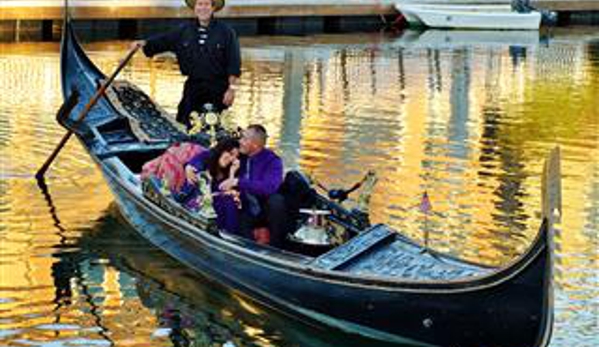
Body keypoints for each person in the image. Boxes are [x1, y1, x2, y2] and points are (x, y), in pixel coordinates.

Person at [132, 0, 241, 130]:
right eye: (199, 4)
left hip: (217, 89)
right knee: (184, 124)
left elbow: (234, 64)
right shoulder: (183, 30)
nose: (203, 8)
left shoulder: (227, 32)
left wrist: (231, 90)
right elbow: (163, 41)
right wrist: (144, 43)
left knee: (213, 127)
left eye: (206, 4)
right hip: (193, 87)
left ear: (213, 8)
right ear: (195, 8)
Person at [218, 125, 287, 246]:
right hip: (244, 208)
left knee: (277, 200)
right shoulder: (239, 152)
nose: (240, 142)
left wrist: (238, 182)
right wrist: (191, 166)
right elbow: (212, 154)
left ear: (255, 145)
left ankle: (277, 245)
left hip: (264, 211)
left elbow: (270, 188)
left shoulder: (273, 161)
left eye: (244, 139)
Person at [181, 138, 241, 232]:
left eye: (235, 157)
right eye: (230, 154)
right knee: (227, 202)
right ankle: (225, 233)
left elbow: (227, 189)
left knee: (229, 201)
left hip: (214, 203)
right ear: (222, 150)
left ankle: (228, 234)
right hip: (196, 199)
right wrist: (189, 167)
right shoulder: (206, 157)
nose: (232, 159)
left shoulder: (228, 169)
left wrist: (232, 172)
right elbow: (195, 168)